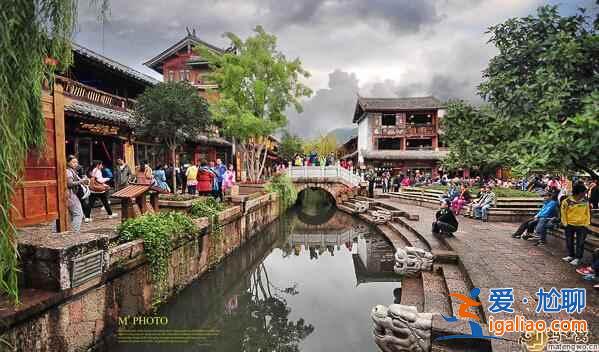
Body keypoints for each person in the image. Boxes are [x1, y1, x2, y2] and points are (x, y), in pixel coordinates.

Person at [560, 182, 591, 266]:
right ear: (579, 192)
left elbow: (587, 213)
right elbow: (563, 213)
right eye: (584, 192)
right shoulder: (567, 201)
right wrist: (565, 223)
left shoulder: (585, 201)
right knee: (569, 241)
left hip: (582, 225)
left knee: (580, 242)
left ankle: (578, 258)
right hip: (569, 225)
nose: (585, 193)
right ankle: (570, 255)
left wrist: (587, 223)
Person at [66, 156, 87, 232]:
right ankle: (74, 232)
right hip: (70, 195)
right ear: (68, 162)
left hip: (70, 194)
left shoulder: (72, 171)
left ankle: (72, 231)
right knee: (79, 214)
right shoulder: (68, 171)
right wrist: (81, 181)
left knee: (72, 214)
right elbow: (69, 184)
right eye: (73, 162)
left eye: (76, 162)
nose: (76, 164)